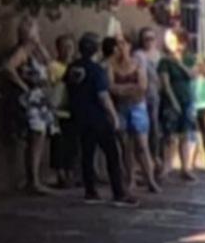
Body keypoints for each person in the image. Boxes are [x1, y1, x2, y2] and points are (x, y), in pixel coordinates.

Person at [68, 34, 134, 206]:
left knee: (87, 154)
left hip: (79, 116)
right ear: (95, 50)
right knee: (112, 154)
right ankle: (118, 193)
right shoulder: (96, 70)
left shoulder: (72, 68)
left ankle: (90, 191)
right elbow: (103, 96)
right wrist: (113, 116)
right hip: (97, 117)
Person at [1, 15, 56, 194]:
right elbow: (8, 67)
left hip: (40, 97)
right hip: (31, 98)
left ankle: (35, 178)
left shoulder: (35, 50)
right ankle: (33, 179)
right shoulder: (23, 50)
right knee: (35, 137)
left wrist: (39, 45)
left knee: (40, 137)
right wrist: (23, 86)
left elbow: (49, 64)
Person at [106, 34, 159, 193]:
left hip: (138, 107)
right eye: (117, 44)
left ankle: (150, 179)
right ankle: (130, 180)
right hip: (122, 108)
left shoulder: (137, 64)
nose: (120, 47)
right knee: (126, 146)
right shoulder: (111, 65)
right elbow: (111, 87)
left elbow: (142, 86)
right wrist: (130, 88)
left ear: (129, 46)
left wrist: (122, 89)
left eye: (123, 43)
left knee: (142, 145)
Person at [157, 31, 199, 181]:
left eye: (181, 42)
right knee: (170, 135)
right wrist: (174, 102)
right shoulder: (164, 62)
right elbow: (165, 84)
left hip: (187, 99)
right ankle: (167, 166)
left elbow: (192, 75)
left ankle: (185, 167)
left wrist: (180, 63)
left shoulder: (189, 59)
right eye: (175, 42)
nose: (179, 45)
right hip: (172, 100)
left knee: (186, 134)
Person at [134, 27, 166, 183]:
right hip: (142, 97)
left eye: (152, 38)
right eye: (146, 38)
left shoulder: (160, 55)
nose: (149, 41)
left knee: (155, 128)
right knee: (143, 130)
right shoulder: (138, 55)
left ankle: (155, 159)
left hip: (156, 96)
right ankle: (145, 164)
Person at [49, 33, 79, 188]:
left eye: (70, 47)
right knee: (59, 143)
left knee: (72, 143)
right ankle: (60, 174)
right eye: (64, 47)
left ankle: (70, 172)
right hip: (58, 110)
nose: (68, 51)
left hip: (73, 110)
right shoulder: (54, 66)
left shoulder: (76, 66)